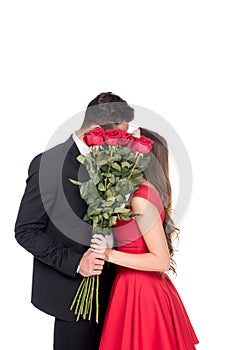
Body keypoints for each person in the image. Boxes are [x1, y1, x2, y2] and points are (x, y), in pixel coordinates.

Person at [14, 92, 134, 350]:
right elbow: (26, 231)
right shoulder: (48, 163)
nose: (123, 143)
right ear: (98, 131)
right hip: (72, 295)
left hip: (112, 291)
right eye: (119, 136)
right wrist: (77, 263)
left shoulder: (112, 163)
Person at [91, 127, 199, 350]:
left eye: (131, 142)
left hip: (141, 292)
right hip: (131, 286)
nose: (124, 146)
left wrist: (109, 253)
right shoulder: (133, 192)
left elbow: (161, 260)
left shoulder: (141, 198)